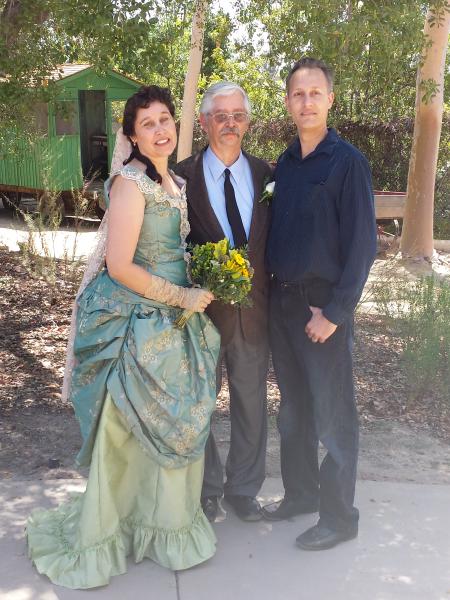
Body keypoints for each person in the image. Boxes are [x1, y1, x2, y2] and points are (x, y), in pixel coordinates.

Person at [26, 85, 221, 589]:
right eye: (148, 123)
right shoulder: (131, 184)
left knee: (169, 423)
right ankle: (114, 529)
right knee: (128, 427)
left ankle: (161, 526)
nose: (160, 130)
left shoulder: (173, 181)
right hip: (138, 320)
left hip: (174, 320)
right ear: (132, 136)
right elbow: (118, 266)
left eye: (165, 119)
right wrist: (180, 299)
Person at [263, 58, 377, 551]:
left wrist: (335, 313)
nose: (306, 102)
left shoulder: (347, 162)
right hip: (282, 307)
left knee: (333, 417)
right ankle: (301, 495)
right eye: (297, 94)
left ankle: (338, 517)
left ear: (330, 99)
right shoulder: (284, 164)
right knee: (294, 412)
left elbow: (362, 246)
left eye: (315, 93)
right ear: (288, 102)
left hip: (322, 309)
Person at [175, 82, 272, 523]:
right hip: (201, 317)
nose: (229, 123)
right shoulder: (179, 177)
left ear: (247, 122)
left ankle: (244, 489)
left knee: (252, 403)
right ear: (204, 122)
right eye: (220, 115)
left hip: (255, 313)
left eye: (238, 115)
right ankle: (207, 488)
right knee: (201, 404)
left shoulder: (269, 176)